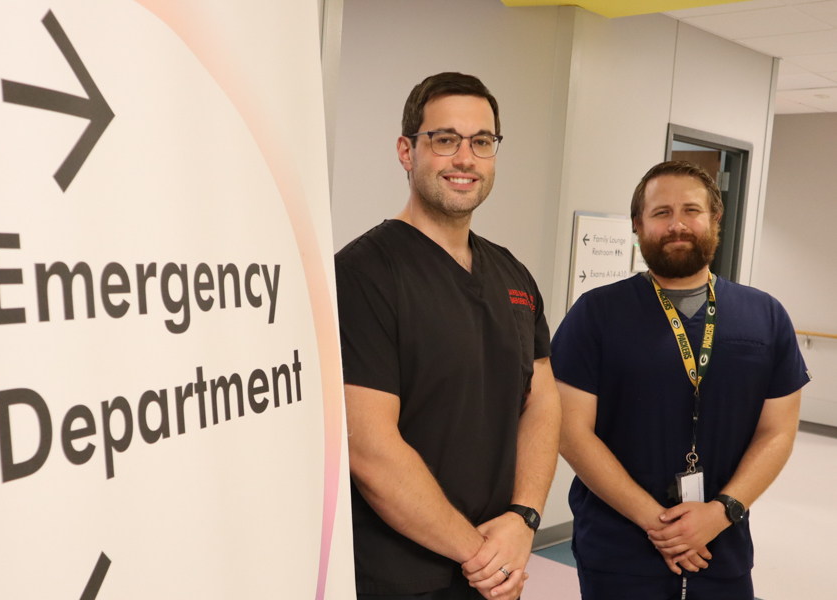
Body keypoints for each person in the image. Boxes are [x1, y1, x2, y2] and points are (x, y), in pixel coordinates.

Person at [335, 72, 561, 600]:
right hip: (401, 577)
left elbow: (543, 401)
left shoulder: (513, 275)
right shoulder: (363, 274)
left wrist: (524, 518)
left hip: (496, 565)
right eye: (445, 139)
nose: (465, 158)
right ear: (406, 150)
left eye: (482, 142)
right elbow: (368, 449)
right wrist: (483, 556)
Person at [551, 161, 811, 599]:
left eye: (691, 210)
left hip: (721, 546)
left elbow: (778, 431)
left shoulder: (765, 317)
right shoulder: (595, 315)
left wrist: (721, 512)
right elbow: (570, 432)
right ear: (638, 225)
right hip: (619, 552)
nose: (677, 225)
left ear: (715, 219)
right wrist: (657, 522)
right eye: (660, 213)